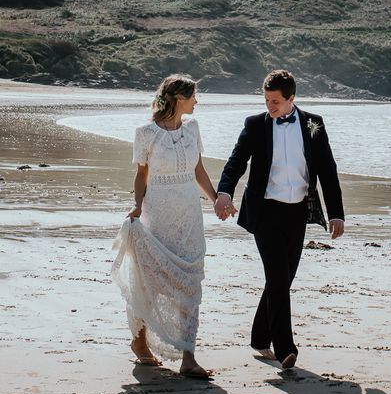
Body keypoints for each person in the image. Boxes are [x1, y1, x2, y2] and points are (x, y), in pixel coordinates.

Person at [214, 69, 345, 370]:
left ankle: (259, 337)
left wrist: (336, 213)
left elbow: (327, 169)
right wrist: (224, 193)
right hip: (265, 211)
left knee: (283, 279)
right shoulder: (255, 125)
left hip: (297, 211)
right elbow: (235, 162)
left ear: (291, 99)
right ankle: (285, 347)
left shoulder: (314, 124)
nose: (270, 106)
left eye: (275, 101)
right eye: (266, 100)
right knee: (277, 277)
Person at [112, 74, 219, 378]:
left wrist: (214, 198)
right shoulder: (145, 133)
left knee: (190, 281)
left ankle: (188, 357)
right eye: (194, 97)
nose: (197, 102)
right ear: (179, 99)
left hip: (189, 214)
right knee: (150, 280)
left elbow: (198, 168)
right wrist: (137, 204)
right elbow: (141, 175)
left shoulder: (192, 129)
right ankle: (139, 342)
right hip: (157, 213)